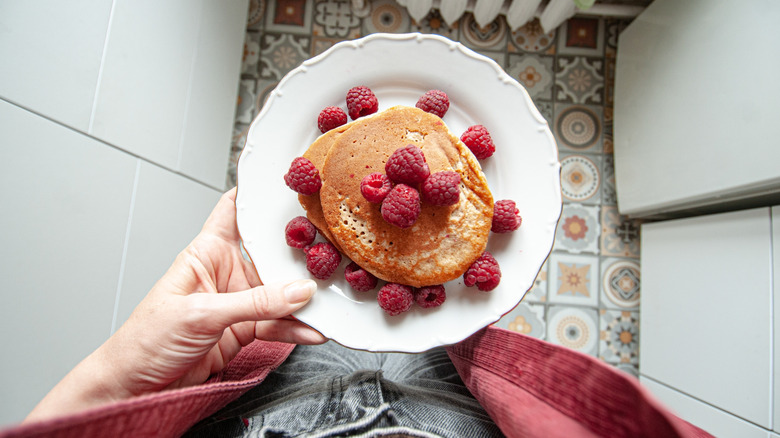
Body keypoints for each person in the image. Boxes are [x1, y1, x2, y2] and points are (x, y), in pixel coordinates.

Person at [1, 189, 712, 438]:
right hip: (460, 406)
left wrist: (116, 383)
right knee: (423, 327)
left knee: (380, 315)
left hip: (255, 394)